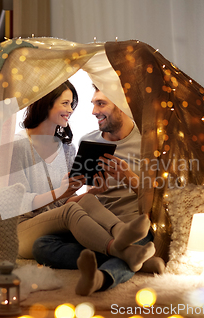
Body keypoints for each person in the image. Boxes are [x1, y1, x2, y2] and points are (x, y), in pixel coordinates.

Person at [9, 80, 155, 273]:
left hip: (64, 222)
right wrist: (60, 194)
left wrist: (93, 192)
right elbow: (14, 205)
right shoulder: (17, 147)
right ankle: (124, 252)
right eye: (65, 103)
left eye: (71, 104)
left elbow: (65, 202)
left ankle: (121, 238)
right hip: (23, 226)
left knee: (85, 199)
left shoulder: (67, 149)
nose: (71, 110)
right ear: (46, 104)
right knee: (67, 215)